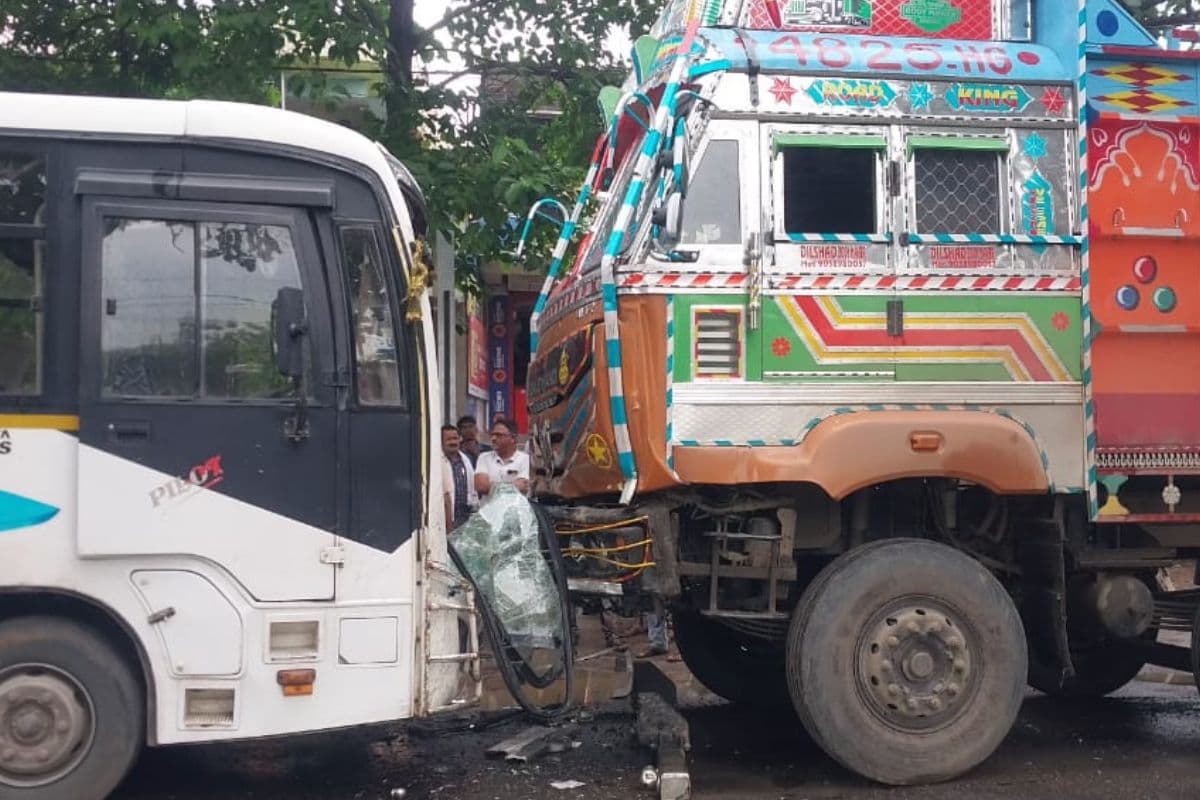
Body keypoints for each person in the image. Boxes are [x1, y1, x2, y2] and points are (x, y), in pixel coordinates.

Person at [474, 417, 530, 505]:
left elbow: (523, 487)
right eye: (492, 435)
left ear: (513, 438)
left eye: (499, 435)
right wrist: (513, 486)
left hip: (515, 515)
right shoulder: (484, 458)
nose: (493, 438)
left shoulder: (525, 459)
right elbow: (481, 486)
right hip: (489, 515)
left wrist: (492, 487)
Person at [440, 424, 477, 529]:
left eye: (455, 438)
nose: (453, 442)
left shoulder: (466, 460)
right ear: (441, 441)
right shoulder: (437, 462)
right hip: (446, 520)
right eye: (449, 439)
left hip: (466, 519)